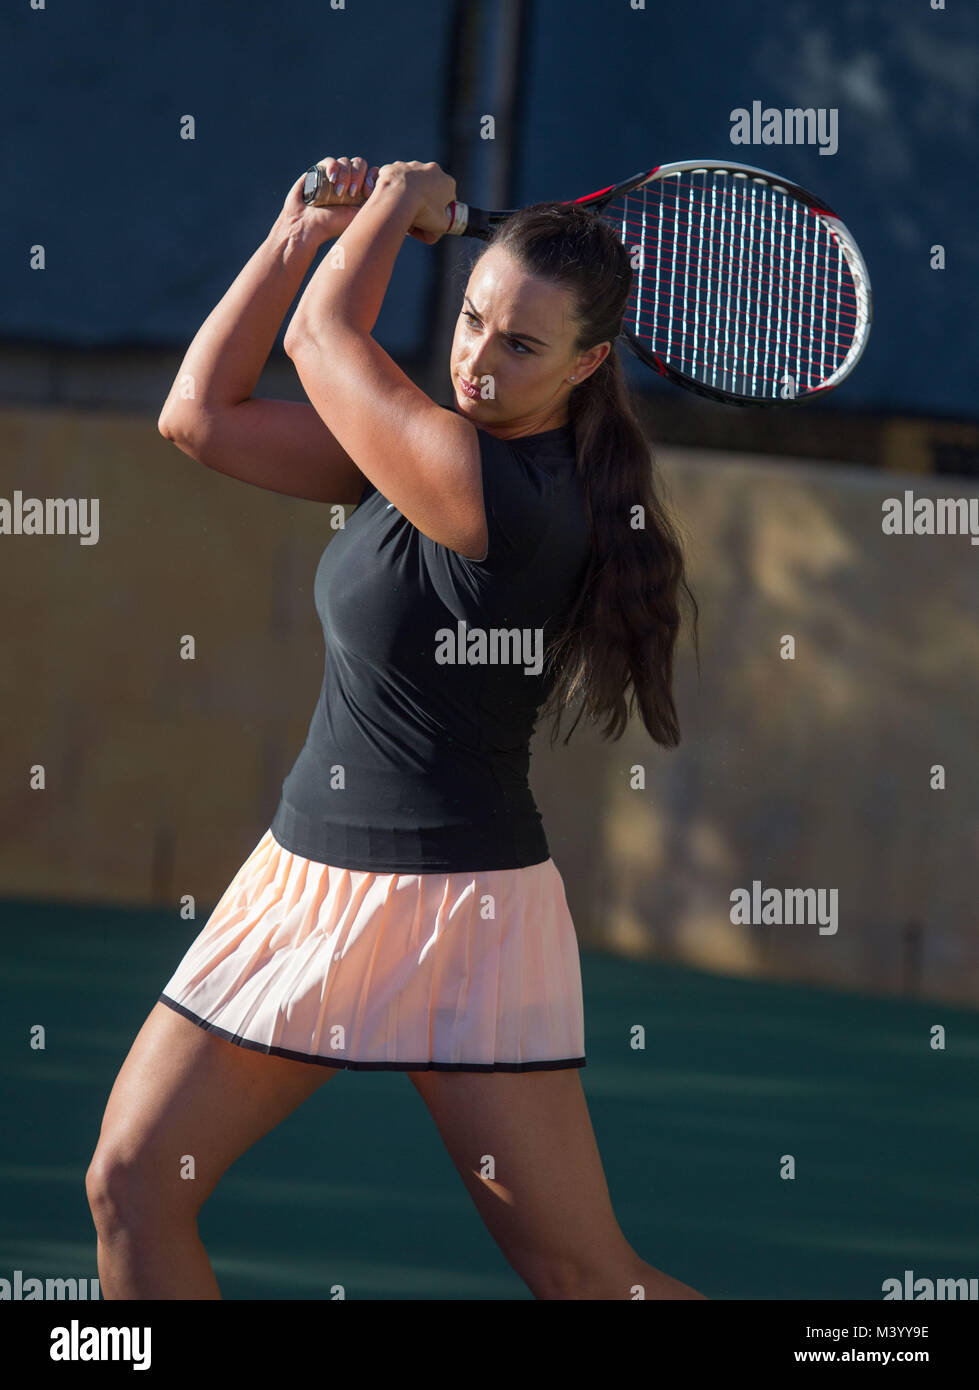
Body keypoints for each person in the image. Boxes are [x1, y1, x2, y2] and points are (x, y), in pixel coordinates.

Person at [85, 155, 704, 1301]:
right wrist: (293, 231)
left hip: (458, 915)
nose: (476, 355)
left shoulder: (505, 500)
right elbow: (199, 416)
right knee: (130, 1184)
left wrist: (390, 204)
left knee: (584, 1279)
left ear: (588, 364)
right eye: (471, 318)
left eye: (520, 344)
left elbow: (324, 341)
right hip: (298, 888)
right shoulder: (420, 456)